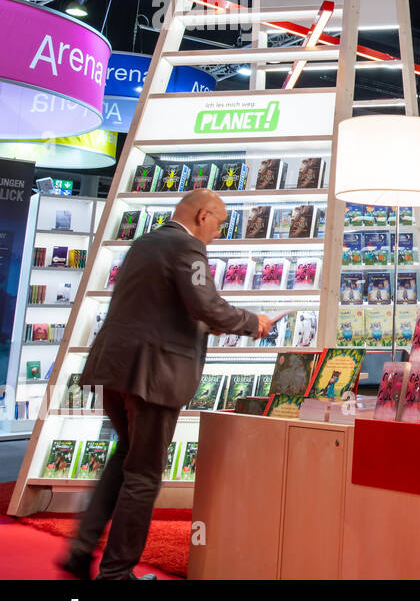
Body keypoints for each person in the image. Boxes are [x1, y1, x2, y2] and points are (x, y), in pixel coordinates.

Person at [61, 189, 270, 580]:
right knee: (142, 474)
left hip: (117, 368)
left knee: (124, 459)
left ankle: (81, 549)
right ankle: (116, 575)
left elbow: (159, 307)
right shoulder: (186, 248)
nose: (219, 233)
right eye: (220, 223)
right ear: (203, 215)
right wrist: (250, 322)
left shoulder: (145, 243)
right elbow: (205, 304)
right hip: (152, 375)